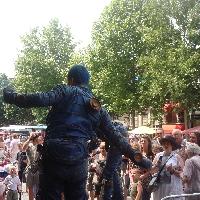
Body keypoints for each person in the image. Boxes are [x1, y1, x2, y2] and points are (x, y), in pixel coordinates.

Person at [3, 64, 151, 200]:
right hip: (79, 158)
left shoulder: (64, 91)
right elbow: (117, 138)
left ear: (71, 80)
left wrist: (11, 96)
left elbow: (39, 99)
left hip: (55, 155)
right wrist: (140, 159)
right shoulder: (97, 107)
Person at [152, 135, 184, 200]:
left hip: (173, 186)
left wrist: (173, 170)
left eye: (168, 144)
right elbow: (152, 171)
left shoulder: (177, 157)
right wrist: (156, 165)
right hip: (160, 186)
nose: (166, 145)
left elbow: (182, 174)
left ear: (171, 145)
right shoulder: (158, 156)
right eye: (164, 144)